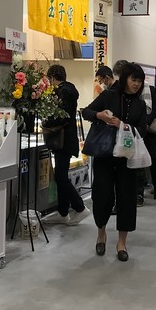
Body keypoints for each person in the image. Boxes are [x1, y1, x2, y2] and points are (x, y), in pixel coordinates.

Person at [82, 62, 148, 261]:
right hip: (105, 155)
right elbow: (86, 112)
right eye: (133, 79)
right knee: (102, 195)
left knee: (127, 199)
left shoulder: (139, 104)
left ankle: (122, 243)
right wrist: (99, 115)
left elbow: (143, 131)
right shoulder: (109, 95)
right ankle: (101, 234)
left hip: (127, 158)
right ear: (125, 79)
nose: (136, 84)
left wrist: (124, 125)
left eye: (139, 81)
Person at [41, 65, 91, 226]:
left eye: (50, 79)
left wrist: (46, 122)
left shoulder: (63, 92)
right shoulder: (70, 90)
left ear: (54, 77)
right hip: (67, 139)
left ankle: (80, 208)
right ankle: (63, 213)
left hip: (62, 140)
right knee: (61, 175)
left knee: (60, 176)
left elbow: (61, 116)